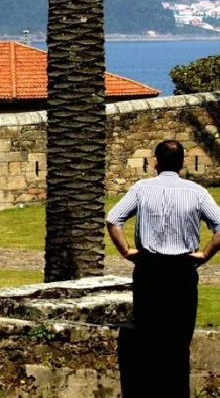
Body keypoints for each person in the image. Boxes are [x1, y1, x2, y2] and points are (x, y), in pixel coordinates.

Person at [106, 139, 220, 398]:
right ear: (182, 163)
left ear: (155, 162)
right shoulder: (196, 191)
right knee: (179, 343)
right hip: (182, 270)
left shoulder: (142, 189)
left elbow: (114, 219)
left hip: (149, 268)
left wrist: (125, 250)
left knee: (149, 340)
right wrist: (204, 254)